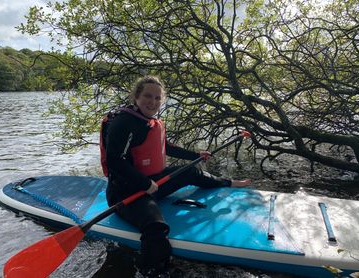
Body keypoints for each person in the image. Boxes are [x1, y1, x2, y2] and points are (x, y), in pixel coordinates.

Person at [104, 75, 251, 277]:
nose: (152, 102)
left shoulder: (152, 121)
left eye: (157, 98)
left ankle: (227, 182)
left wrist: (196, 155)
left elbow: (168, 147)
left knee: (190, 170)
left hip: (154, 183)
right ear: (136, 97)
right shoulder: (123, 123)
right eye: (147, 96)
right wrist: (144, 183)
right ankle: (152, 270)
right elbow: (114, 161)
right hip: (127, 192)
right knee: (156, 227)